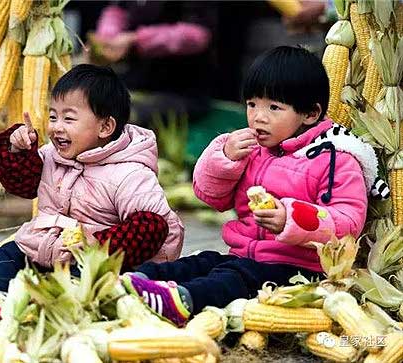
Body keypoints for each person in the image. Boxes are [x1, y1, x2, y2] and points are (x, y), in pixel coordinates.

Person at [121, 46, 378, 327]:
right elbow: (211, 196)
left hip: (295, 270)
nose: (258, 117)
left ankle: (183, 301)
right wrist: (225, 157)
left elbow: (349, 222)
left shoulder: (333, 158)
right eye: (252, 104)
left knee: (232, 279)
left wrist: (290, 218)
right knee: (203, 262)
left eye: (274, 107)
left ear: (310, 113)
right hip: (243, 255)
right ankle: (134, 282)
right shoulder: (253, 150)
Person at [0, 64, 184, 325]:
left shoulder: (130, 173)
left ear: (105, 127)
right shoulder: (53, 155)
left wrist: (93, 248)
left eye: (69, 119)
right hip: (53, 249)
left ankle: (55, 311)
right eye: (53, 117)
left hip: (104, 260)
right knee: (9, 252)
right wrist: (17, 150)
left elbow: (151, 227)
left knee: (84, 281)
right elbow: (24, 185)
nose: (56, 128)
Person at [88, 1, 217, 126]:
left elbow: (198, 35)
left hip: (182, 90)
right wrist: (107, 37)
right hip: (137, 80)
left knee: (120, 116)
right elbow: (118, 9)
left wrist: (136, 40)